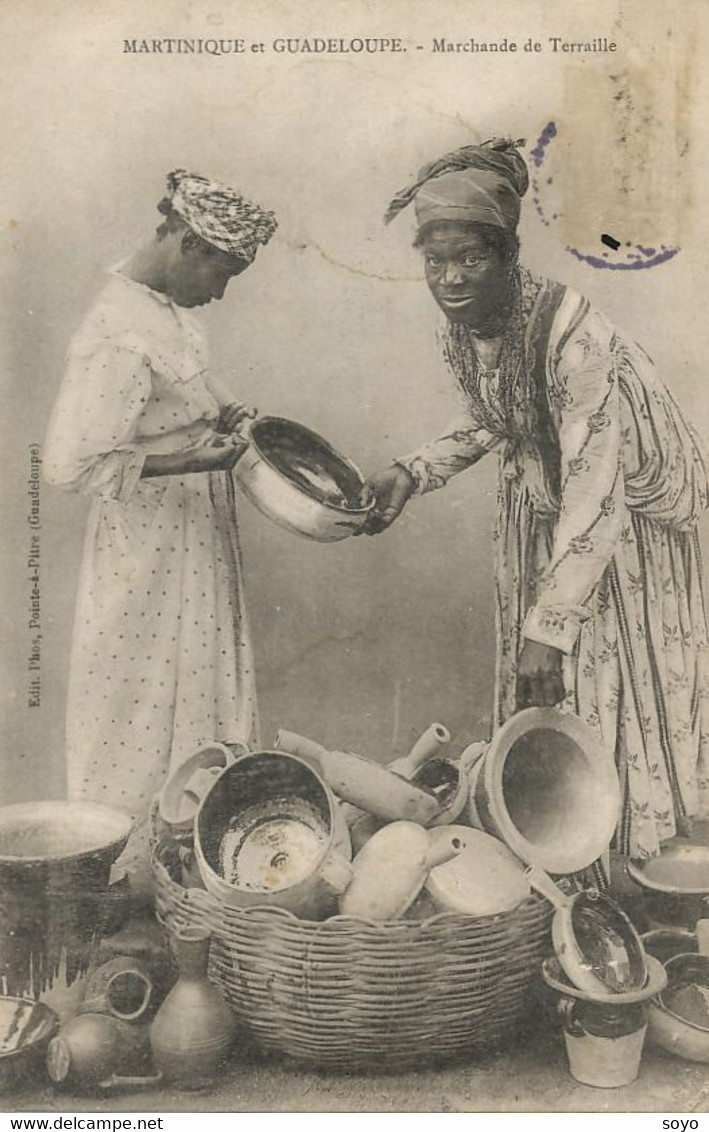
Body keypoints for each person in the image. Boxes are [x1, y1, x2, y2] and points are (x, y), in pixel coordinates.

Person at [364, 138, 709, 860]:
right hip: (551, 496)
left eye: (470, 260)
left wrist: (547, 625)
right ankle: (559, 839)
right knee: (551, 681)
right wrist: (415, 468)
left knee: (601, 666)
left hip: (623, 513)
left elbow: (595, 481)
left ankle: (625, 857)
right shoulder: (465, 327)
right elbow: (499, 414)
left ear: (507, 255)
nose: (451, 279)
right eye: (436, 262)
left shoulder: (574, 334)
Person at [44, 169, 277, 879]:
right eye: (223, 273)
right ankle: (129, 880)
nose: (221, 291)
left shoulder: (161, 309)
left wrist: (230, 413)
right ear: (184, 243)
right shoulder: (118, 332)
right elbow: (69, 466)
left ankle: (195, 867)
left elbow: (187, 389)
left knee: (197, 696)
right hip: (147, 552)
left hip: (190, 541)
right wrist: (188, 461)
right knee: (139, 704)